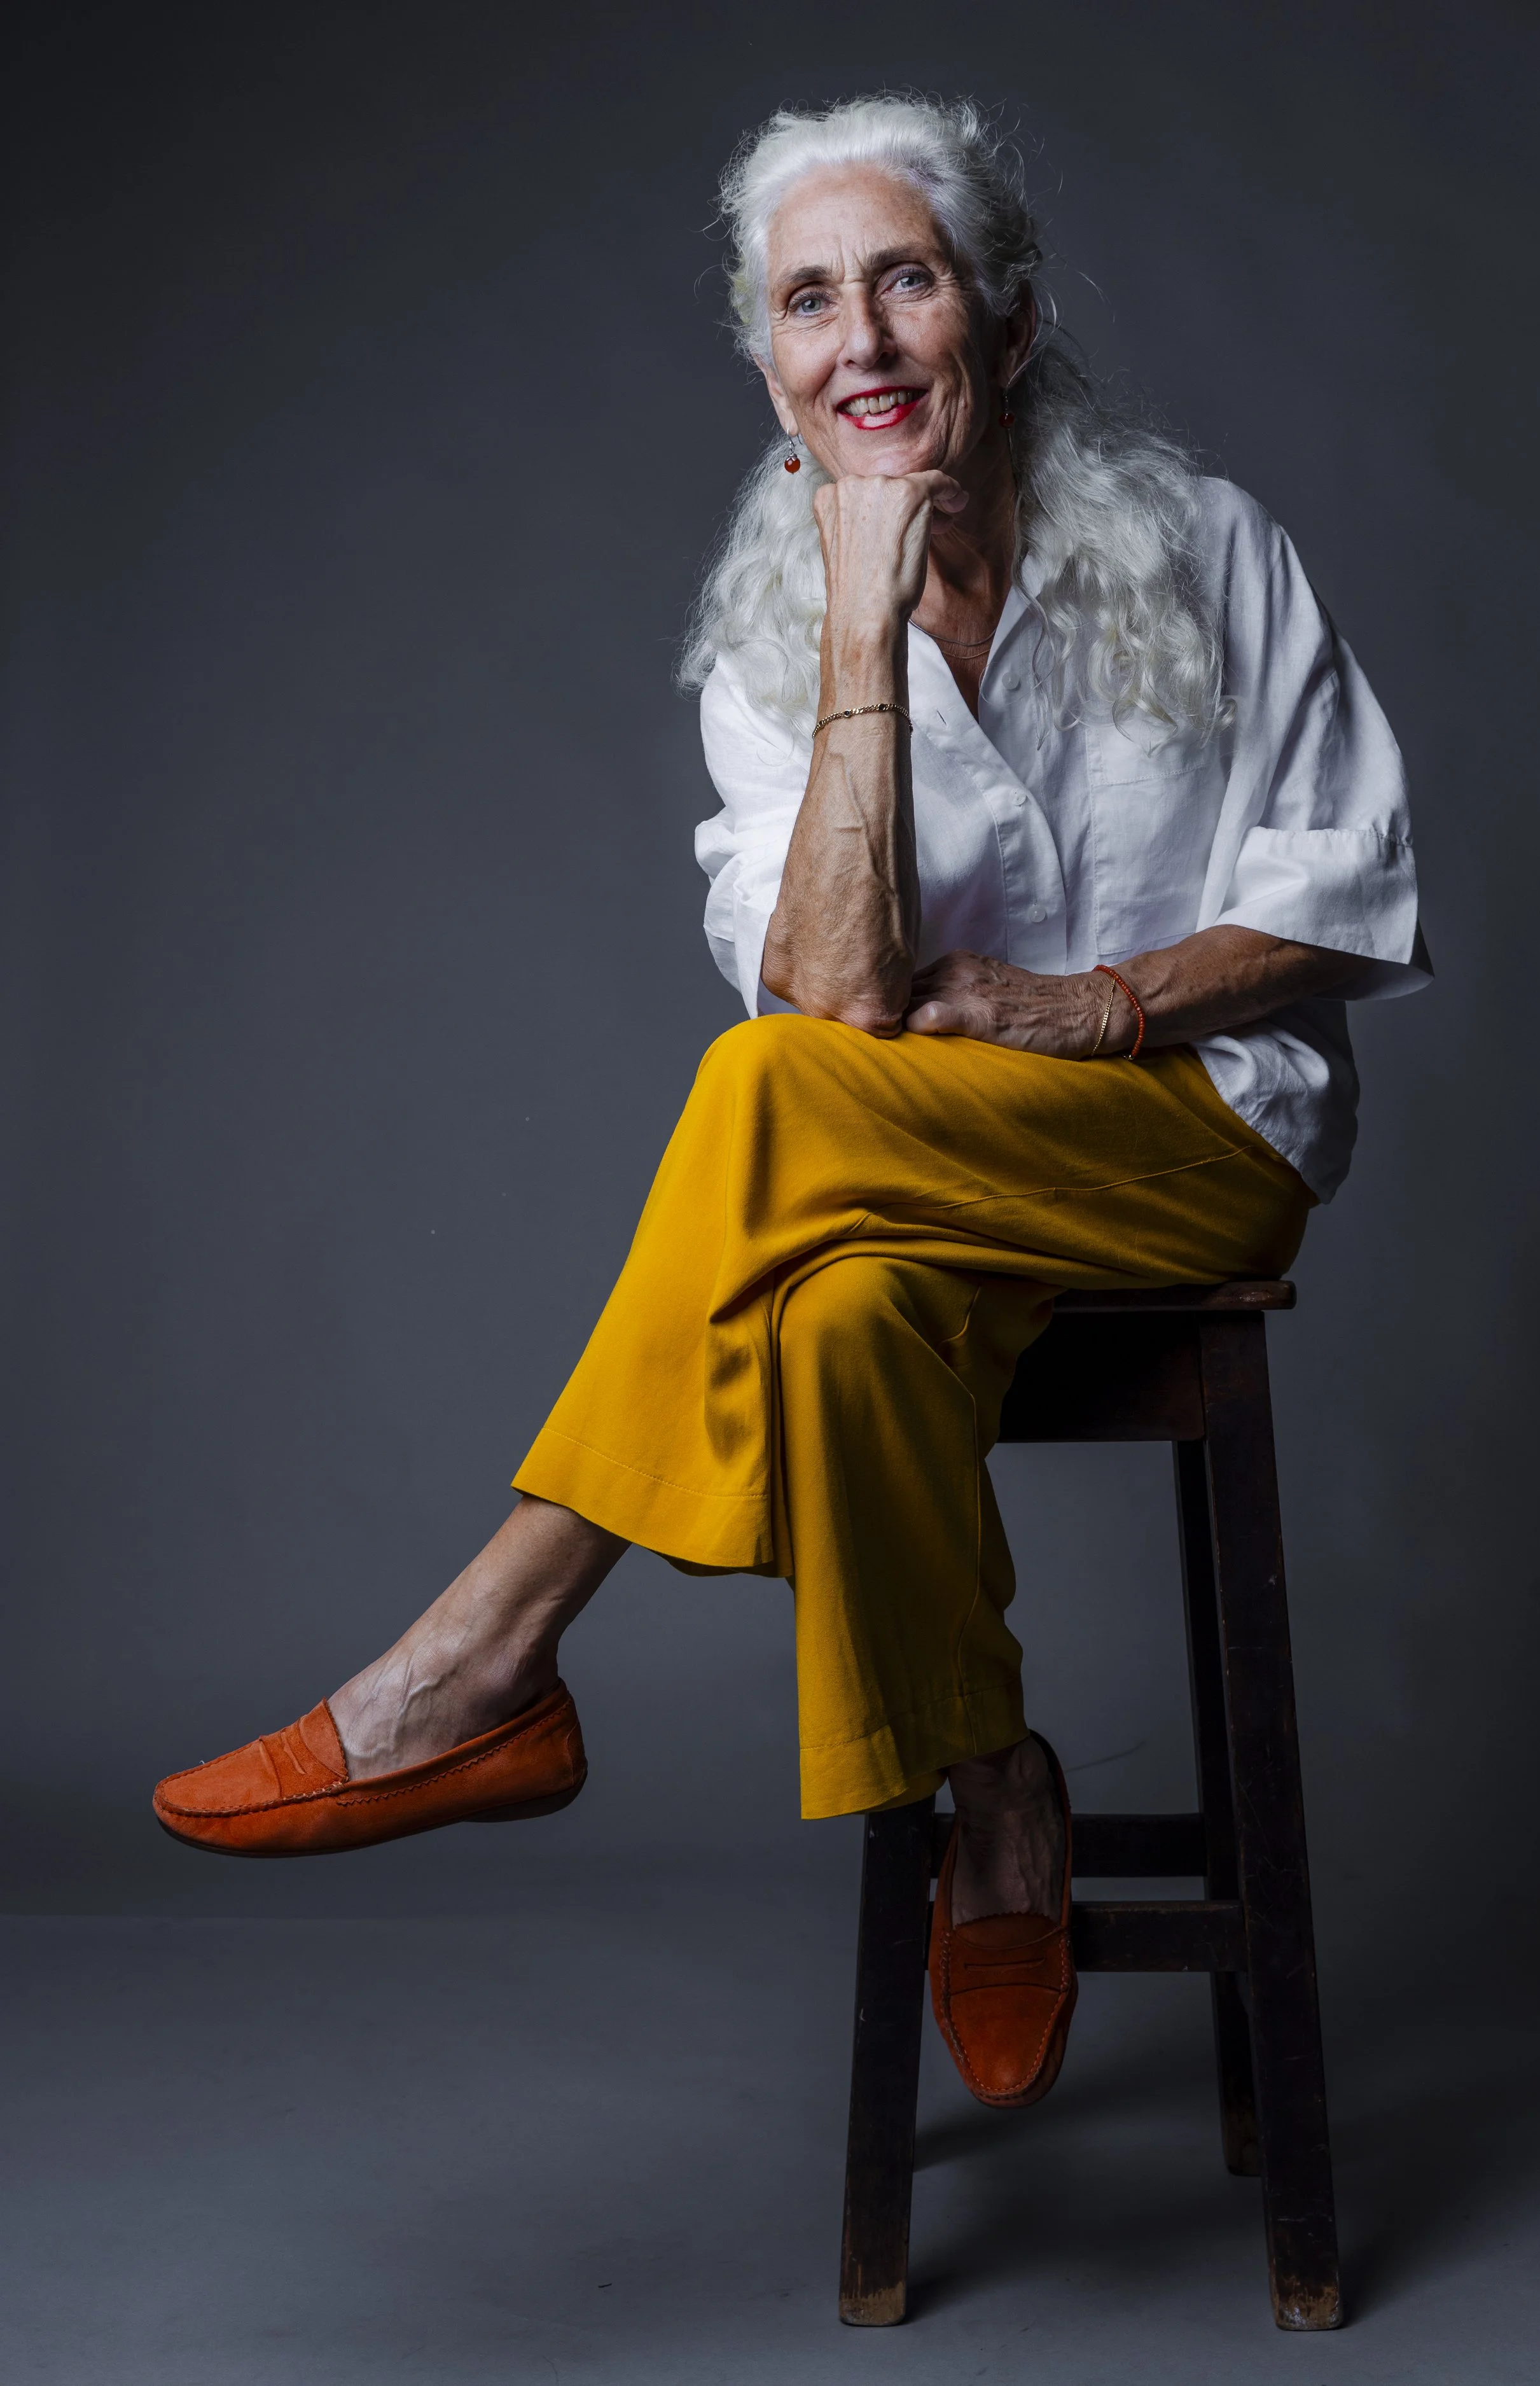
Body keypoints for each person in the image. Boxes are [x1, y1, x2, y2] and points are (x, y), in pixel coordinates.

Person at [154, 95, 1426, 2111]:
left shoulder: (1206, 546)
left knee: (767, 1097)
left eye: (903, 280)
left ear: (999, 325)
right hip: (907, 1181)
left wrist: (1098, 1007)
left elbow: (1352, 889)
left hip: (1196, 1149)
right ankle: (995, 1790)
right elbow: (837, 994)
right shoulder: (765, 650)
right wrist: (857, 630)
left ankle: (481, 1656)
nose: (861, 338)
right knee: (828, 1310)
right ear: (770, 372)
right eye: (808, 302)